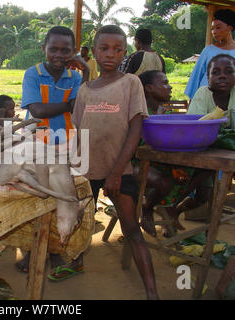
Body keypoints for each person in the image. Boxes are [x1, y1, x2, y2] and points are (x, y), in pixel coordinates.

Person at [72, 25, 158, 299]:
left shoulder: (130, 83)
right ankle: (75, 261)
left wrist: (118, 171)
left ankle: (152, 292)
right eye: (104, 48)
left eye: (118, 49)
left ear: (124, 53)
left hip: (119, 170)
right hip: (87, 170)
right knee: (81, 221)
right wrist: (74, 167)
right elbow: (80, 130)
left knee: (131, 228)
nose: (111, 54)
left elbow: (136, 128)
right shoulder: (85, 90)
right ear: (94, 52)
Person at [16, 26, 90, 277]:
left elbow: (82, 105)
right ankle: (30, 248)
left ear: (73, 53)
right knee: (37, 194)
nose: (59, 54)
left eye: (65, 50)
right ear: (44, 49)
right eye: (54, 49)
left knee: (61, 193)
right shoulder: (33, 74)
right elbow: (36, 111)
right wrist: (66, 105)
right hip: (36, 141)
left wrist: (87, 70)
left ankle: (55, 247)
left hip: (65, 143)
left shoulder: (76, 77)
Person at [162, 54, 235, 229]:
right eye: (215, 72)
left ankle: (174, 209)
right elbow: (196, 128)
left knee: (203, 194)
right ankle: (170, 206)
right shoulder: (203, 94)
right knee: (201, 182)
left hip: (225, 156)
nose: (222, 76)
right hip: (201, 152)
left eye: (229, 71)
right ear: (208, 78)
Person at [135, 70, 194, 237]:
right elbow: (137, 145)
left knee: (201, 172)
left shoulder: (167, 112)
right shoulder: (139, 112)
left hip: (162, 160)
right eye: (165, 83)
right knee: (165, 183)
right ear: (149, 88)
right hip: (135, 162)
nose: (169, 87)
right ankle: (147, 208)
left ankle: (169, 206)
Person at [185, 9, 235, 100]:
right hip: (206, 100)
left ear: (230, 28)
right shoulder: (208, 51)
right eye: (212, 28)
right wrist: (193, 101)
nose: (214, 32)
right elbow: (196, 77)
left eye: (218, 27)